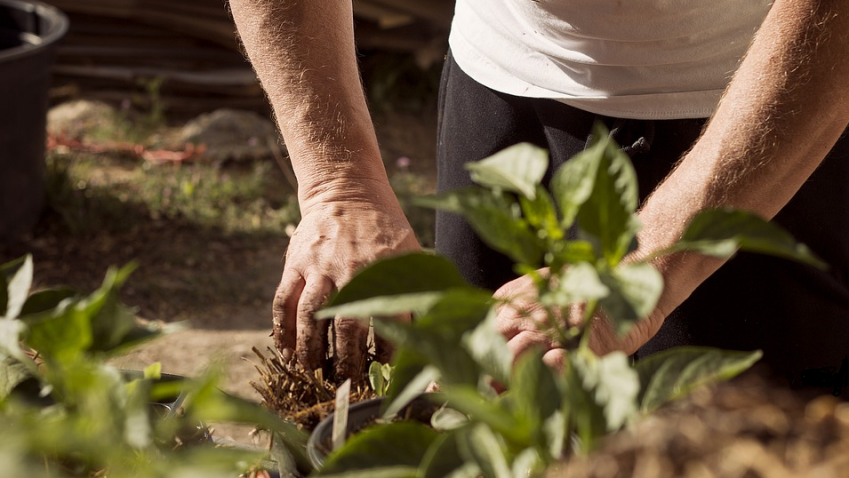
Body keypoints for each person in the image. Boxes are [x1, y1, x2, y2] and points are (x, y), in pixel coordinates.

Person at [228, 0, 849, 386]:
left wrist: (644, 265)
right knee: (482, 426)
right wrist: (341, 184)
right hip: (500, 87)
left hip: (764, 117)